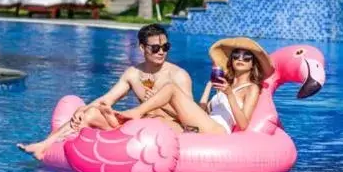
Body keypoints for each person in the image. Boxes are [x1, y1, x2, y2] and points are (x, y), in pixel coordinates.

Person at [17, 23, 193, 159]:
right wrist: (83, 109)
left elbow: (189, 120)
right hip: (139, 127)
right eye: (155, 48)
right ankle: (45, 145)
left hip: (168, 130)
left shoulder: (178, 76)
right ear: (142, 48)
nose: (161, 52)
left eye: (165, 47)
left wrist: (160, 105)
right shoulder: (133, 74)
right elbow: (107, 98)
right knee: (91, 113)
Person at [114, 38, 271, 135]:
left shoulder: (251, 88)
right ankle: (115, 126)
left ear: (253, 64)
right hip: (205, 125)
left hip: (218, 131)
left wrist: (230, 94)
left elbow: (243, 125)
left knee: (171, 87)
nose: (240, 58)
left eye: (246, 57)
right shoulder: (225, 85)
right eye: (236, 55)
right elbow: (202, 113)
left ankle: (136, 111)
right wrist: (209, 88)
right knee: (156, 121)